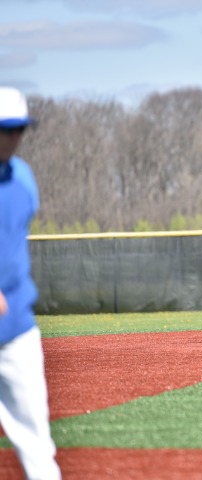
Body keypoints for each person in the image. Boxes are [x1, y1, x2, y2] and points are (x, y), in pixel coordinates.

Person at [0, 87, 62, 479]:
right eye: (5, 129)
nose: (13, 137)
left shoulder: (23, 178)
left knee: (37, 441)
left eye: (19, 129)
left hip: (16, 328)